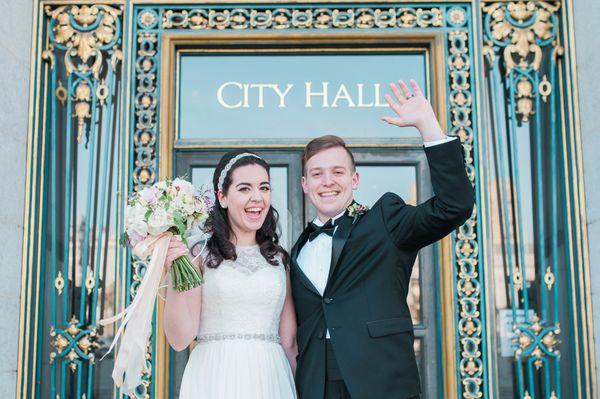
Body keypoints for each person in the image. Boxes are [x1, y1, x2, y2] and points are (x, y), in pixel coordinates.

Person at [290, 80, 475, 399]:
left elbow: (453, 207)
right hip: (315, 385)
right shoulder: (297, 249)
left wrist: (428, 127)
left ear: (355, 179)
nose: (328, 181)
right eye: (317, 174)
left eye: (338, 171)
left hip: (381, 380)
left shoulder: (386, 218)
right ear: (305, 184)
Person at [163, 151, 298, 398]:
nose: (257, 197)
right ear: (222, 197)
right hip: (214, 375)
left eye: (264, 188)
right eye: (244, 189)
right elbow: (180, 339)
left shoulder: (279, 259)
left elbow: (289, 341)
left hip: (270, 378)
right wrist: (175, 272)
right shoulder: (199, 254)